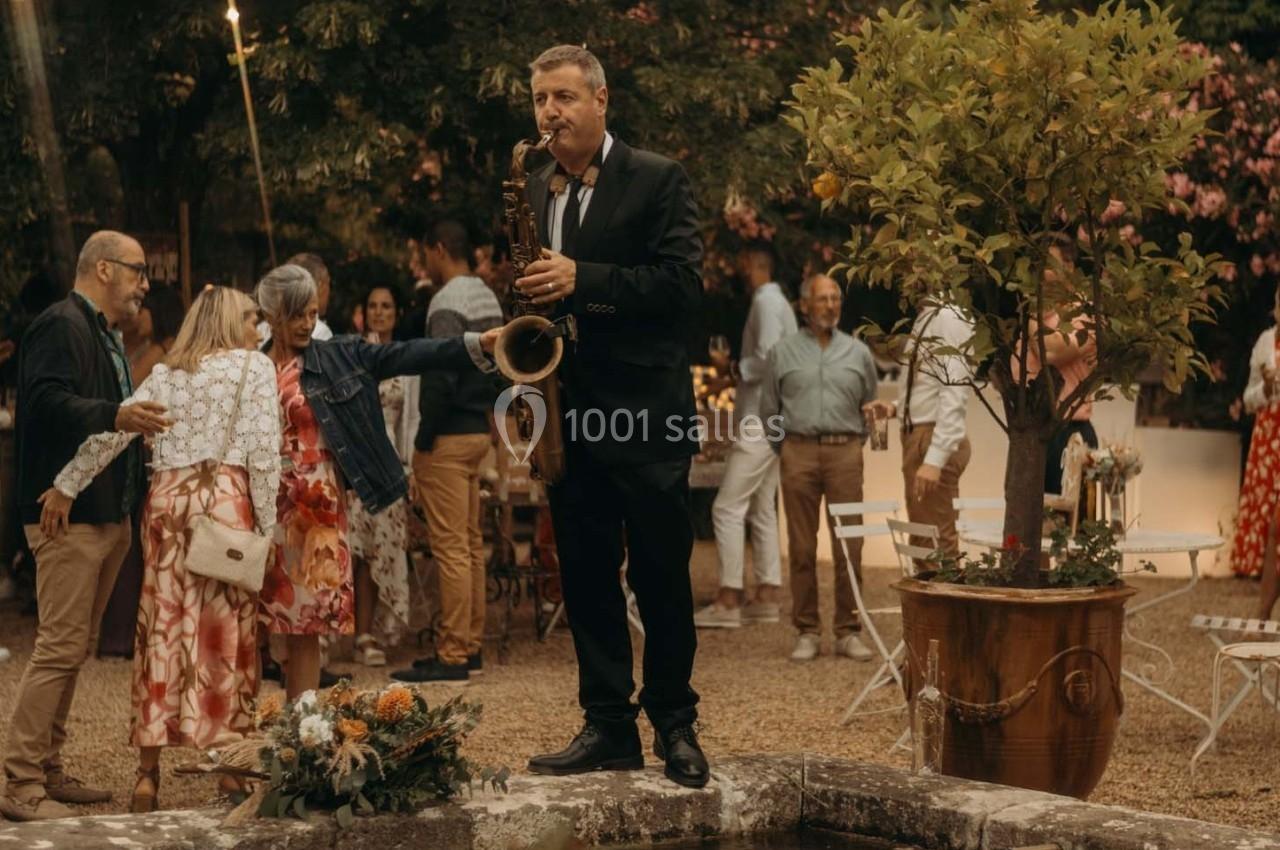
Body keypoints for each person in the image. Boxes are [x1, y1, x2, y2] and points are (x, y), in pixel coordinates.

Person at [514, 45, 707, 788]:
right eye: (539, 99)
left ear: (601, 100)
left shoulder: (659, 178)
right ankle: (607, 726)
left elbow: (682, 287)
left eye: (563, 97)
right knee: (586, 576)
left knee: (661, 575)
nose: (549, 113)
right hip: (567, 411)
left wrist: (580, 280)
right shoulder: (534, 185)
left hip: (646, 413)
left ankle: (676, 724)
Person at [36, 286, 280, 813]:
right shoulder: (253, 367)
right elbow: (264, 456)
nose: (258, 328)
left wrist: (67, 484)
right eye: (251, 317)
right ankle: (229, 770)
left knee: (162, 629)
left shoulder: (168, 373)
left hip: (167, 508)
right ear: (228, 321)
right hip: (225, 506)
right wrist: (269, 528)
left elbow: (116, 431)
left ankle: (147, 775)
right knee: (225, 633)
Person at [256, 264, 500, 699]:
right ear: (273, 314)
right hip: (261, 503)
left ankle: (302, 724)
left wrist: (474, 344)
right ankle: (255, 730)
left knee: (307, 623)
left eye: (313, 313)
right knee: (260, 622)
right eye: (298, 316)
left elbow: (407, 354)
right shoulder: (249, 366)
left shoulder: (337, 355)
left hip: (316, 504)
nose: (308, 324)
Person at [3, 231, 168, 822]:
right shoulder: (60, 325)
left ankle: (47, 769)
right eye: (138, 271)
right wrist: (116, 413)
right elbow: (44, 403)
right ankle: (20, 785)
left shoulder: (99, 331)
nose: (145, 284)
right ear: (104, 269)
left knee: (72, 651)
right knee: (58, 650)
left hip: (103, 514)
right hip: (63, 514)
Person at [392, 220, 504, 684]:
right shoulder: (486, 296)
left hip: (449, 433)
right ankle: (470, 644)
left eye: (426, 254)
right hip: (478, 429)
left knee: (451, 547)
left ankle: (453, 652)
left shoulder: (445, 302)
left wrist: (422, 443)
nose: (425, 264)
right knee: (472, 544)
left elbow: (440, 375)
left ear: (440, 249)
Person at [759, 274, 877, 662]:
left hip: (845, 453)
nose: (830, 306)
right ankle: (807, 629)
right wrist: (788, 449)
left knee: (850, 546)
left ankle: (848, 631)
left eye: (835, 299)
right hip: (798, 452)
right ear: (804, 306)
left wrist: (852, 444)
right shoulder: (782, 353)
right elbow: (769, 411)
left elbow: (869, 406)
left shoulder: (858, 352)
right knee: (803, 547)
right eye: (822, 299)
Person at [695, 244, 796, 629]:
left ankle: (729, 597)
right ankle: (768, 593)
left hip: (760, 418)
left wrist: (733, 370)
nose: (738, 271)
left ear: (756, 265)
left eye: (741, 264)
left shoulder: (766, 303)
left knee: (725, 507)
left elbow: (769, 357)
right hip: (774, 418)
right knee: (762, 506)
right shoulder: (780, 303)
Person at [864, 299, 974, 557]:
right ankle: (932, 597)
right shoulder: (927, 316)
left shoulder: (947, 316)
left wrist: (935, 459)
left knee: (934, 546)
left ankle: (941, 598)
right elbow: (929, 386)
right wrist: (896, 407)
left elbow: (955, 389)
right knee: (923, 542)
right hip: (920, 433)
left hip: (932, 437)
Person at [347, 284, 415, 665]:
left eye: (386, 306)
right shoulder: (352, 355)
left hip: (390, 461)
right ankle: (355, 634)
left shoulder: (406, 360)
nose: (379, 312)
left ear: (395, 313)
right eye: (372, 305)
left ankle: (375, 629)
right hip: (356, 459)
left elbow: (411, 420)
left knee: (382, 548)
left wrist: (410, 468)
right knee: (354, 547)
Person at [1234, 286, 1280, 619]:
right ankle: (1263, 615)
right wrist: (1265, 387)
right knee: (1271, 528)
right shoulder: (1266, 342)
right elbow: (1249, 399)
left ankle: (1263, 614)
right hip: (1269, 440)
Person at [256, 252, 334, 344]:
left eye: (312, 314)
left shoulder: (259, 328)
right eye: (298, 315)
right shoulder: (321, 332)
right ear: (320, 285)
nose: (307, 326)